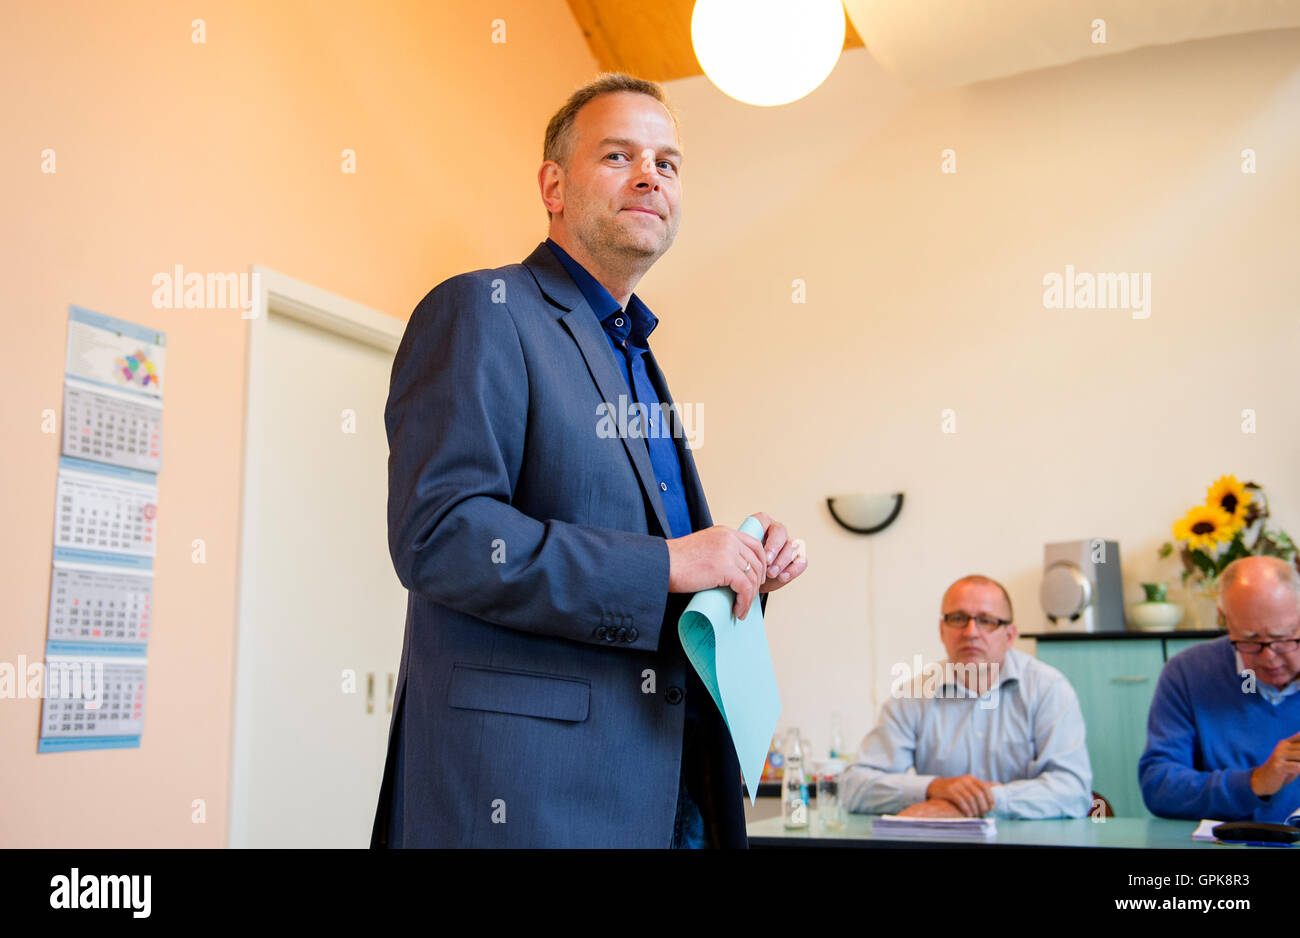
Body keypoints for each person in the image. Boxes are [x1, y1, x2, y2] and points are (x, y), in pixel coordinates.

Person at [369, 73, 808, 848]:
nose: (649, 176)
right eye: (618, 155)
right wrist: (668, 563)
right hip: (530, 798)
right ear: (554, 184)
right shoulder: (483, 310)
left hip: (668, 789)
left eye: (668, 164)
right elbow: (441, 535)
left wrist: (733, 566)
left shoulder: (638, 354)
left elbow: (655, 574)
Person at [841, 575, 1093, 818]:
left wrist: (980, 803)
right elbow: (854, 787)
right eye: (958, 618)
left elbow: (1073, 789)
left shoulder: (1049, 689)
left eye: (986, 620)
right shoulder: (913, 696)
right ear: (942, 630)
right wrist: (933, 788)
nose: (971, 632)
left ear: (1010, 636)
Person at [1139, 555, 1300, 822]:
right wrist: (1254, 783)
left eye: (1282, 638)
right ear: (1225, 621)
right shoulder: (1188, 673)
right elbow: (1159, 786)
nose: (1269, 656)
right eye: (1249, 640)